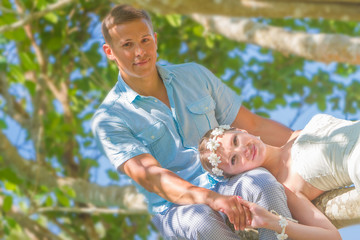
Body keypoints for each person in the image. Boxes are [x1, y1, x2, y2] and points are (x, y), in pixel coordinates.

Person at [92, 4, 296, 239]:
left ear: (155, 40)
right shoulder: (109, 118)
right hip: (175, 207)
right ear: (109, 52)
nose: (140, 51)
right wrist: (212, 199)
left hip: (228, 180)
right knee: (201, 222)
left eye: (145, 40)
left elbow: (253, 125)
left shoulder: (194, 75)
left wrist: (301, 139)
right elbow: (151, 175)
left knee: (263, 184)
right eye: (127, 45)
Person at [199, 113, 360, 239]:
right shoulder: (286, 187)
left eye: (235, 141)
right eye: (234, 159)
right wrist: (273, 222)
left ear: (241, 131)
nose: (243, 150)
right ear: (237, 174)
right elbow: (332, 237)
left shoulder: (294, 135)